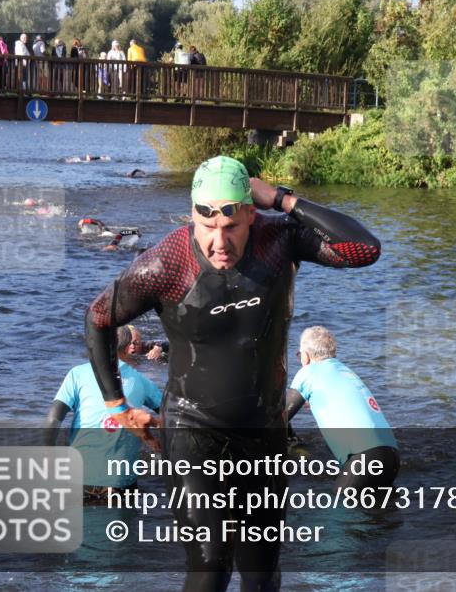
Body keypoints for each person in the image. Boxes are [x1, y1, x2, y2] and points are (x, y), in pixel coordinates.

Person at [84, 156, 381, 590]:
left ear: (250, 214)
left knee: (261, 574)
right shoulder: (165, 263)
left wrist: (283, 199)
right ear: (193, 217)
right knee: (210, 567)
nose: (218, 243)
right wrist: (118, 405)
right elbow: (97, 320)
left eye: (231, 227)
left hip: (263, 434)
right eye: (207, 228)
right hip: (192, 431)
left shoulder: (278, 241)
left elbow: (364, 250)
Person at [44, 325, 163, 504]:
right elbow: (171, 414)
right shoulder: (141, 380)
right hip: (120, 482)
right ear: (126, 347)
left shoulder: (77, 374)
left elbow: (53, 420)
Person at [285, 326, 399, 491]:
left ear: (306, 356)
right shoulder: (345, 371)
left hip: (365, 458)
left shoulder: (308, 372)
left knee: (339, 511)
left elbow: (279, 418)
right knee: (381, 513)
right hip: (392, 457)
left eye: (299, 354)